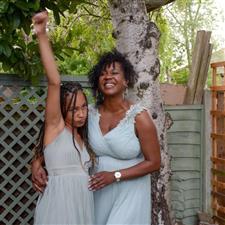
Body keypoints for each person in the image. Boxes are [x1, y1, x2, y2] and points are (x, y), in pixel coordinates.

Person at [32, 15, 161, 225]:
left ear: (126, 79)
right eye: (102, 74)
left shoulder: (139, 117)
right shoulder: (89, 114)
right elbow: (57, 141)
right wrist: (37, 162)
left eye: (114, 73)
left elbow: (154, 162)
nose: (108, 77)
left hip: (128, 193)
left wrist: (116, 175)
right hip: (93, 194)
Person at [31, 11, 95, 224]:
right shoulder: (55, 127)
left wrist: (37, 160)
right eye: (73, 109)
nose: (81, 113)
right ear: (60, 110)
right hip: (58, 208)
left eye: (84, 107)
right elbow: (54, 82)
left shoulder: (83, 135)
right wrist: (42, 33)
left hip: (82, 208)